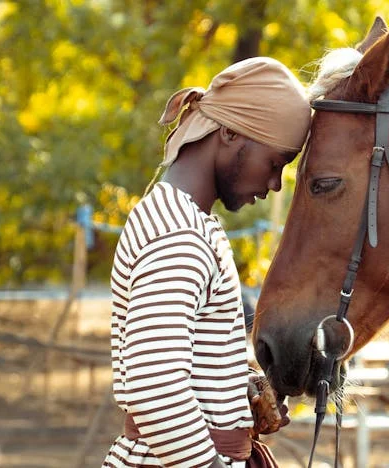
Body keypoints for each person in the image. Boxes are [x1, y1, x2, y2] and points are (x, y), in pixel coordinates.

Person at [102, 57, 311, 468]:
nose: (274, 184)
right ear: (229, 133)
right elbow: (155, 388)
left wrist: (238, 389)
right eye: (274, 164)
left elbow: (180, 362)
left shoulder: (188, 222)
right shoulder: (178, 236)